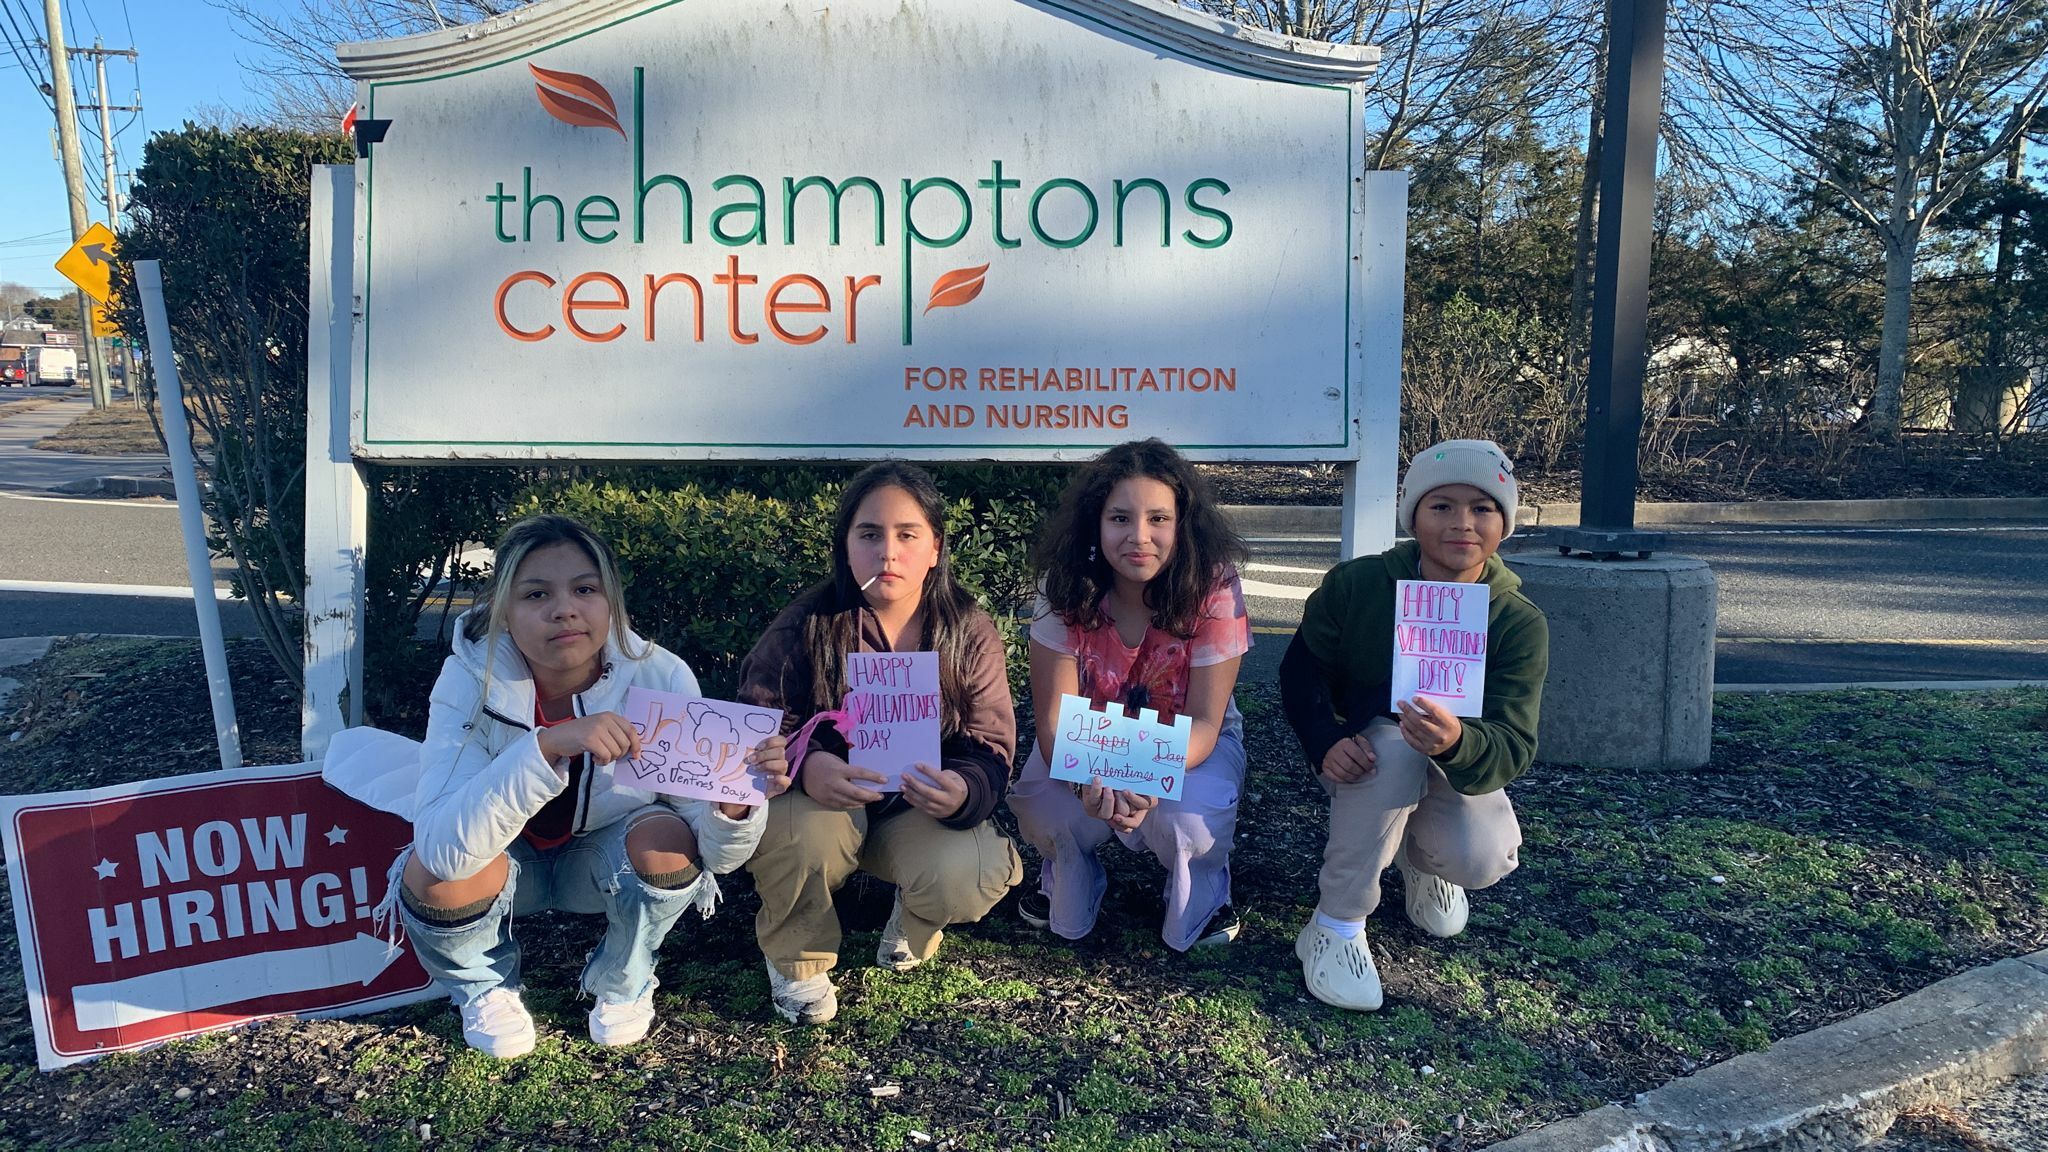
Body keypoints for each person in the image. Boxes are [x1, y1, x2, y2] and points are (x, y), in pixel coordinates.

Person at [390, 515, 788, 1057]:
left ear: (611, 602)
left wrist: (736, 803)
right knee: (431, 874)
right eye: (536, 594)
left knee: (666, 837)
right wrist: (548, 745)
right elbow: (441, 847)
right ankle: (484, 986)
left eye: (585, 589)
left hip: (599, 860)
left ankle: (624, 980)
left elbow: (716, 857)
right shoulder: (468, 677)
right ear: (504, 611)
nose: (564, 609)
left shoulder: (661, 675)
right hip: (507, 864)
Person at [737, 462, 1023, 1024]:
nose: (887, 552)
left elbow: (991, 740)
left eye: (906, 535)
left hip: (914, 807)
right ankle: (799, 961)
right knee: (797, 835)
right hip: (823, 806)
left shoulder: (968, 630)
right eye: (869, 534)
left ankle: (913, 920)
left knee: (971, 871)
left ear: (935, 548)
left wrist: (963, 789)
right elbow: (759, 721)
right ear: (846, 546)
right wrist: (808, 763)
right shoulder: (806, 623)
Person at [1280, 439, 1549, 1011]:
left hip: (1454, 767)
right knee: (1397, 748)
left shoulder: (1517, 620)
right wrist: (1325, 741)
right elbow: (1301, 669)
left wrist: (1457, 742)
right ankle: (1336, 924)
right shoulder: (1357, 585)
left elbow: (1514, 742)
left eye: (1483, 508)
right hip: (1365, 760)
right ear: (1413, 515)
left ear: (1505, 519)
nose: (1462, 524)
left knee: (1480, 857)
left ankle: (1424, 861)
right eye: (1441, 506)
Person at [1009, 438, 1252, 951]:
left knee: (1189, 816)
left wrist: (1142, 779)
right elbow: (1053, 722)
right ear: (1095, 525)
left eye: (1159, 519)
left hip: (1185, 744)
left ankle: (1201, 888)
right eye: (1120, 518)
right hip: (1087, 742)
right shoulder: (1063, 586)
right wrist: (1086, 786)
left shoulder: (1214, 588)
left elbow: (1206, 723)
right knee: (1043, 807)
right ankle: (1069, 874)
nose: (1139, 537)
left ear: (1182, 526)